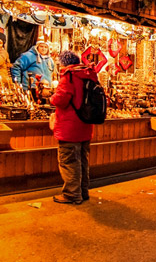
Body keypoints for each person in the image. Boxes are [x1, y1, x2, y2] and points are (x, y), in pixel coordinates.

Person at [50, 50, 97, 204]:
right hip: (85, 125)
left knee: (69, 162)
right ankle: (83, 192)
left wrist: (52, 97)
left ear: (64, 63)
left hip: (70, 127)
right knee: (82, 161)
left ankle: (71, 195)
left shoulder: (69, 76)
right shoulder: (88, 74)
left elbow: (62, 99)